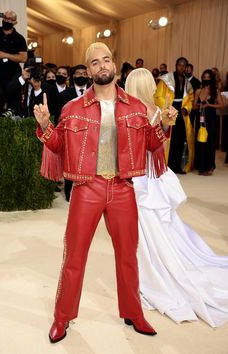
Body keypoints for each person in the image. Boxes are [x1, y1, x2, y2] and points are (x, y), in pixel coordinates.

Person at [34, 42, 177, 343]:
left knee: (128, 256)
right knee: (74, 256)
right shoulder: (72, 109)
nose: (102, 66)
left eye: (107, 60)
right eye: (95, 62)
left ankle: (133, 313)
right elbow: (58, 145)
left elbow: (154, 144)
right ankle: (62, 318)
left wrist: (165, 123)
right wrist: (46, 126)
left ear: (114, 65)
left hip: (123, 189)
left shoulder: (137, 108)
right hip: (87, 188)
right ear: (88, 70)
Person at [125, 68, 228, 327]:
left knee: (144, 224)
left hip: (139, 175)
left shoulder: (131, 111)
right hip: (152, 174)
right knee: (157, 223)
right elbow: (161, 142)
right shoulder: (156, 109)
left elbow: (145, 144)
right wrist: (166, 125)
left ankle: (148, 273)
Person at [154, 57, 194, 174]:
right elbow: (158, 96)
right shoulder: (166, 80)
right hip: (169, 110)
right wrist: (167, 107)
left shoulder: (188, 83)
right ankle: (168, 165)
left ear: (186, 67)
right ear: (176, 66)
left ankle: (177, 166)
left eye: (184, 65)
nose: (182, 67)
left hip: (181, 112)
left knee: (181, 138)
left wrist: (186, 109)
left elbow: (190, 99)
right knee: (170, 138)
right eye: (179, 65)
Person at [59, 64, 92, 202]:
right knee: (70, 162)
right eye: (78, 73)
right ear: (73, 76)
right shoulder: (65, 94)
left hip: (90, 134)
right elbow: (59, 116)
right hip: (71, 135)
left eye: (84, 73)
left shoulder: (93, 92)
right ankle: (68, 193)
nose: (81, 76)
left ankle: (88, 192)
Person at [193, 69, 224, 175]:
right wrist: (197, 106)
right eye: (204, 77)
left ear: (211, 78)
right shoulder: (198, 91)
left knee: (210, 143)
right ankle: (201, 167)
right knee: (201, 142)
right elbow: (194, 107)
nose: (206, 79)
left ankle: (210, 167)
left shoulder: (215, 91)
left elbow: (222, 105)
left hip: (211, 119)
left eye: (208, 77)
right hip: (200, 119)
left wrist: (209, 105)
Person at [0, 10, 27, 91]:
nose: (7, 20)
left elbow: (23, 58)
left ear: (15, 22)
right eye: (5, 18)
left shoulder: (19, 38)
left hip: (13, 77)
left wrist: (5, 55)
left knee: (14, 102)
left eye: (10, 19)